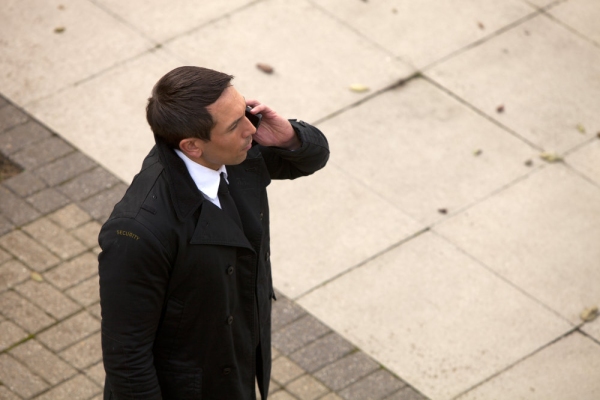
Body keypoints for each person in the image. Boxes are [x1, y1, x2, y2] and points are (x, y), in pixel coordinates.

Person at [98, 66, 329, 399]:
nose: (252, 128)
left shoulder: (237, 152)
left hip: (238, 360)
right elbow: (127, 357)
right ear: (193, 146)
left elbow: (310, 158)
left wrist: (289, 135)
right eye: (236, 124)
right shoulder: (136, 231)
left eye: (246, 112)